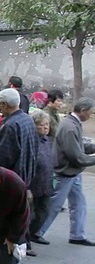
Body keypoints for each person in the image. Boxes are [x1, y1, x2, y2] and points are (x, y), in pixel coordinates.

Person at [0, 88, 38, 264]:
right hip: (26, 176)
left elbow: (4, 158)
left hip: (12, 180)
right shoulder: (27, 120)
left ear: (5, 105)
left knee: (6, 223)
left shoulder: (11, 125)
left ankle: (5, 261)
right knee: (18, 218)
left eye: (0, 105)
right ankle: (13, 254)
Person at [36, 98, 95, 246]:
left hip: (72, 171)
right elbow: (75, 155)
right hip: (66, 171)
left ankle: (77, 234)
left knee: (79, 203)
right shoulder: (70, 126)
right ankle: (37, 231)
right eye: (90, 112)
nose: (91, 115)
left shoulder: (72, 123)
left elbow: (78, 146)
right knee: (54, 204)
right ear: (82, 111)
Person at [26, 110, 53, 252]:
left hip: (46, 183)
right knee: (29, 214)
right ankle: (26, 242)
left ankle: (33, 234)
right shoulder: (31, 141)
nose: (46, 127)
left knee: (45, 211)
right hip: (33, 183)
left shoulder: (47, 140)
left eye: (47, 124)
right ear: (35, 126)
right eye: (42, 125)